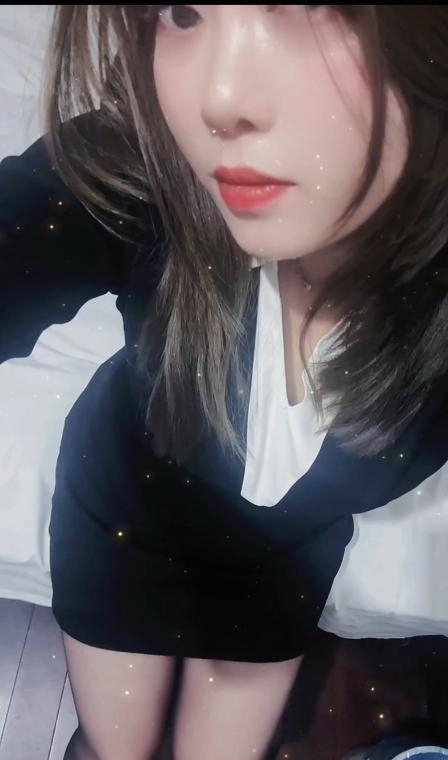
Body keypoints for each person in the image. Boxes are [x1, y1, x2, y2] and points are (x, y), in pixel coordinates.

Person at [1, 5, 447, 760]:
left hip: (278, 571)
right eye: (180, 13)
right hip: (125, 527)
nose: (218, 97)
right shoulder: (148, 175)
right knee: (115, 753)